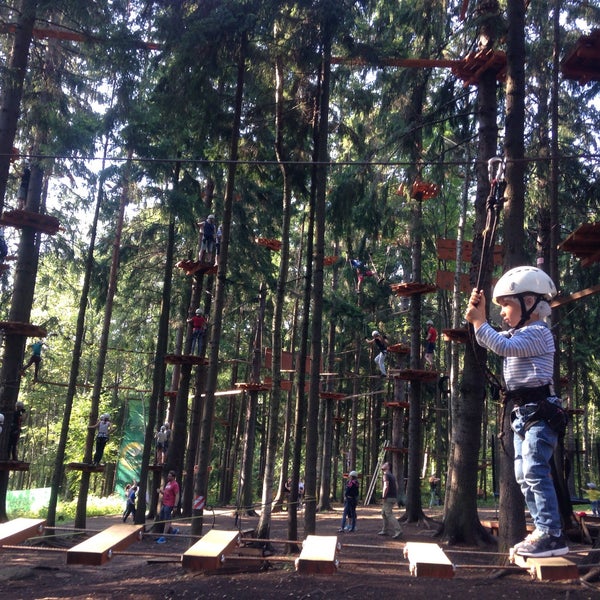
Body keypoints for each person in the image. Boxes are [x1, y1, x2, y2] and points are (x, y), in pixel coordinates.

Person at [465, 265, 569, 558]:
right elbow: (496, 339)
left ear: (531, 304)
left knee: (534, 469)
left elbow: (497, 344)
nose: (502, 313)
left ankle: (552, 532)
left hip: (540, 412)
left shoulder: (538, 333)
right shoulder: (521, 333)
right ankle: (542, 529)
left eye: (507, 305)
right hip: (524, 415)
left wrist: (478, 322)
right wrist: (479, 317)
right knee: (524, 475)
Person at [378, 462, 402, 538]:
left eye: (385, 464)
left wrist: (383, 497)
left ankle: (398, 531)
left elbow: (386, 486)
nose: (383, 465)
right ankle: (385, 530)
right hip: (393, 497)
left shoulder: (386, 475)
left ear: (388, 467)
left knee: (388, 514)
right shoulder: (392, 476)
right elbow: (397, 486)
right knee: (383, 513)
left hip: (388, 497)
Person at [156, 470, 180, 543]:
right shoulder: (168, 483)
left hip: (170, 505)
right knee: (163, 518)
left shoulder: (175, 484)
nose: (168, 477)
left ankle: (163, 537)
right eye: (168, 475)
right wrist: (160, 491)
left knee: (167, 520)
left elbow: (177, 495)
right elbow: (166, 493)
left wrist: (175, 506)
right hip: (165, 503)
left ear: (173, 477)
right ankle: (173, 531)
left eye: (169, 476)